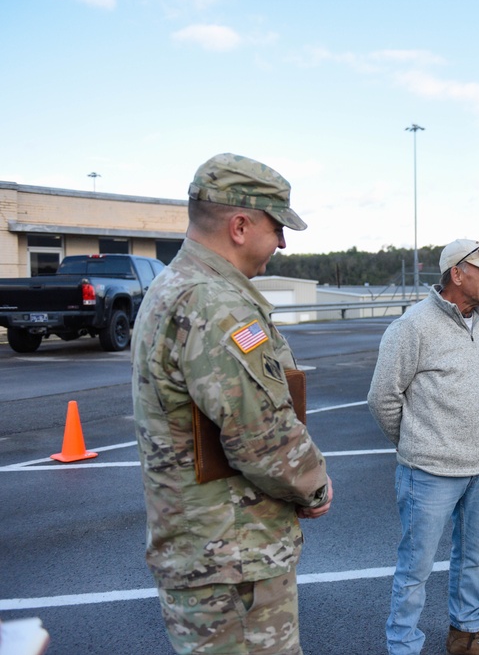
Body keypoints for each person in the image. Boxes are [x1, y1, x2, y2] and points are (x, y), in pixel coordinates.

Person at [132, 153, 333, 655]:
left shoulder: (175, 288)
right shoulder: (215, 303)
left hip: (205, 547)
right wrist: (314, 486)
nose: (282, 243)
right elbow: (262, 436)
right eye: (277, 228)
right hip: (233, 559)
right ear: (240, 225)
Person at [368, 240, 479, 655]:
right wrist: (416, 442)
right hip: (428, 472)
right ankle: (403, 647)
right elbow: (382, 399)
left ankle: (466, 636)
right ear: (457, 273)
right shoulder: (412, 326)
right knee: (415, 570)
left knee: (473, 559)